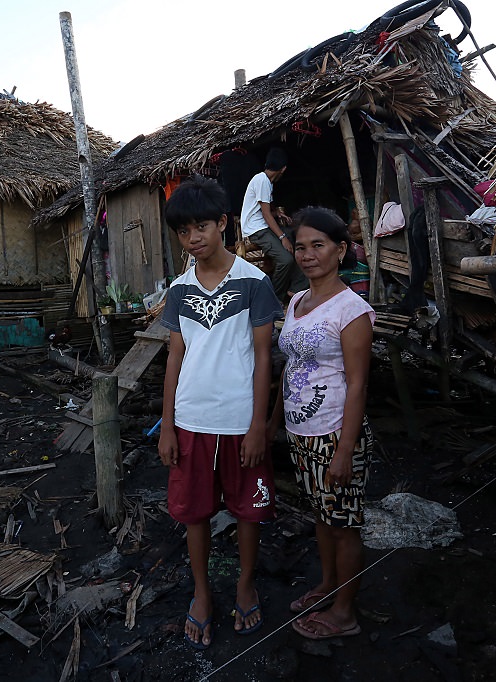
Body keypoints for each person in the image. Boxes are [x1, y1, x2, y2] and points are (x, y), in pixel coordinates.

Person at [158, 175, 282, 649]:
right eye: (185, 231)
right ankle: (203, 593)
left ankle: (245, 584)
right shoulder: (179, 289)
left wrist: (258, 425)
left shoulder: (255, 284)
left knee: (249, 512)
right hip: (190, 421)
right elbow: (175, 357)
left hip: (238, 420)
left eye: (203, 227)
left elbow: (264, 358)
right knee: (195, 515)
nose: (194, 239)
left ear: (224, 224)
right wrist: (167, 424)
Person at [267, 206, 375, 641]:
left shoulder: (352, 310)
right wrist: (275, 421)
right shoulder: (297, 300)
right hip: (300, 432)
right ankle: (330, 584)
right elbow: (289, 366)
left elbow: (358, 384)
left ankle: (345, 612)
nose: (308, 255)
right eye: (300, 247)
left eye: (319, 246)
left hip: (334, 433)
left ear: (341, 249)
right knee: (322, 515)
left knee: (344, 524)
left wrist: (345, 450)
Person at [240, 147, 307, 302]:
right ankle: (274, 298)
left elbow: (268, 208)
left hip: (263, 226)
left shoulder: (266, 181)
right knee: (286, 259)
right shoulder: (262, 180)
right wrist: (282, 237)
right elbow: (265, 214)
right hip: (256, 230)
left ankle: (296, 288)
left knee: (295, 241)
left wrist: (278, 213)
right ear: (283, 169)